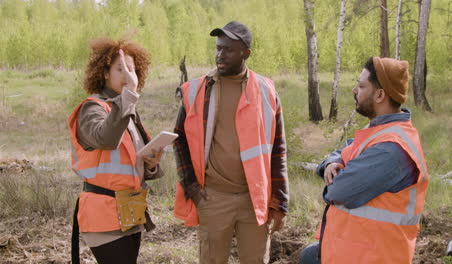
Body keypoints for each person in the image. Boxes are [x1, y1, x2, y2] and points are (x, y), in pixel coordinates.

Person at [172, 21, 289, 264]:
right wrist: (192, 187)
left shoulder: (266, 90)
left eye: (228, 50)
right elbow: (179, 139)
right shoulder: (197, 90)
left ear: (246, 53)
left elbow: (278, 149)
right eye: (218, 48)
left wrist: (280, 200)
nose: (220, 55)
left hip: (254, 199)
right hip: (213, 197)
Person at [299, 57, 430, 264]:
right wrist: (330, 163)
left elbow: (337, 192)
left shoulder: (390, 149)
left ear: (379, 95)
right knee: (309, 256)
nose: (354, 90)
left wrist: (335, 169)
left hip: (373, 256)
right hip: (352, 249)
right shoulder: (379, 131)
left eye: (361, 86)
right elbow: (344, 149)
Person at [68, 36, 164, 264]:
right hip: (103, 213)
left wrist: (150, 164)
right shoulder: (92, 108)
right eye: (120, 69)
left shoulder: (126, 111)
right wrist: (129, 95)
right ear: (104, 73)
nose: (128, 76)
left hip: (131, 208)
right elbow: (107, 139)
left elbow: (130, 161)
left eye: (131, 70)